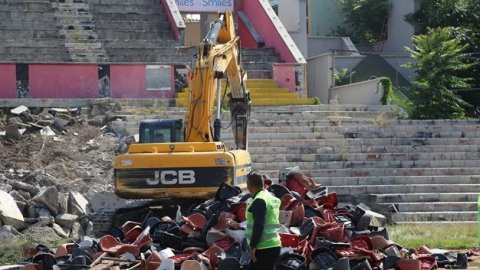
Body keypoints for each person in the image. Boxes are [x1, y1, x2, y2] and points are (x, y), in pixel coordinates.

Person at [246, 172, 281, 270]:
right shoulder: (271, 197)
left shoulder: (259, 200)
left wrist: (253, 247)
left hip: (262, 248)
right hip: (274, 245)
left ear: (249, 185)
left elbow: (259, 225)